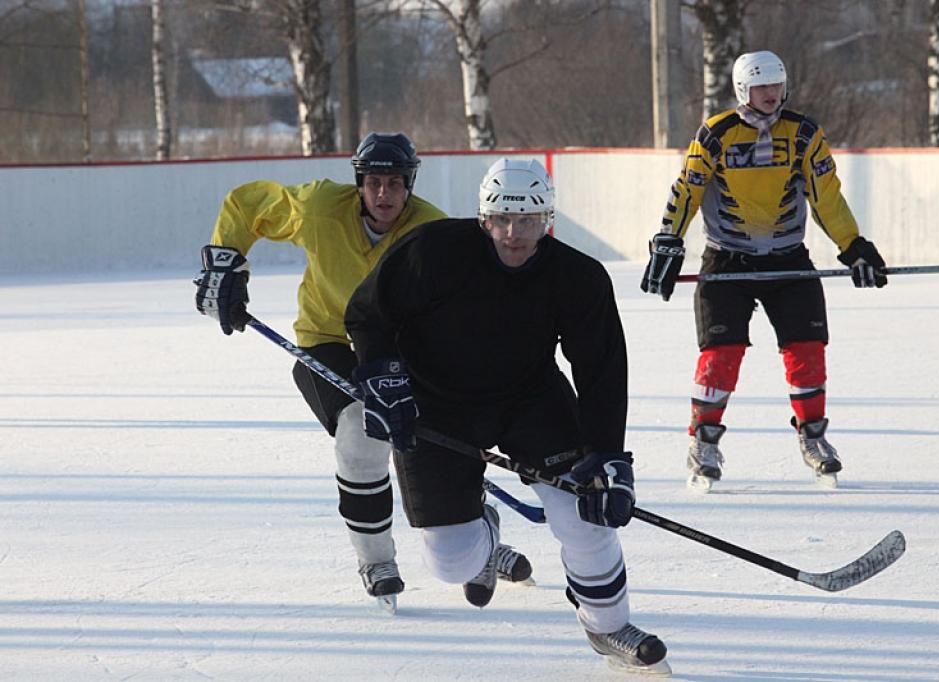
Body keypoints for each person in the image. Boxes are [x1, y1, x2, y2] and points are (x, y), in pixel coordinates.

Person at [344, 158, 671, 675]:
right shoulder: (433, 251)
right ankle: (485, 527)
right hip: (435, 406)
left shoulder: (578, 276)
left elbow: (601, 367)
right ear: (483, 218)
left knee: (582, 512)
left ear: (549, 220)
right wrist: (383, 377)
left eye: (529, 221)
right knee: (451, 563)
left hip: (530, 400)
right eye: (502, 220)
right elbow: (368, 313)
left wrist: (607, 454)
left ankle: (609, 626)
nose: (514, 234)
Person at [193, 132, 506, 614]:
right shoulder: (319, 207)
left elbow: (464, 306)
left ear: (410, 185)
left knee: (428, 445)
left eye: (396, 184)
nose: (385, 194)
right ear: (359, 183)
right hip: (329, 340)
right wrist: (227, 265)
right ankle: (377, 560)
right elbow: (247, 203)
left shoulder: (432, 231)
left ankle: (476, 531)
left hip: (401, 350)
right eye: (375, 182)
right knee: (361, 437)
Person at [641, 50, 888, 491]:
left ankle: (813, 438)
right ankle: (704, 442)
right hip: (727, 258)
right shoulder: (717, 134)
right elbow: (688, 189)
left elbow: (826, 195)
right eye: (761, 87)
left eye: (777, 85)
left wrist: (853, 246)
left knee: (807, 349)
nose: (771, 94)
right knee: (721, 355)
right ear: (742, 90)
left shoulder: (804, 133)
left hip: (787, 258)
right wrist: (667, 241)